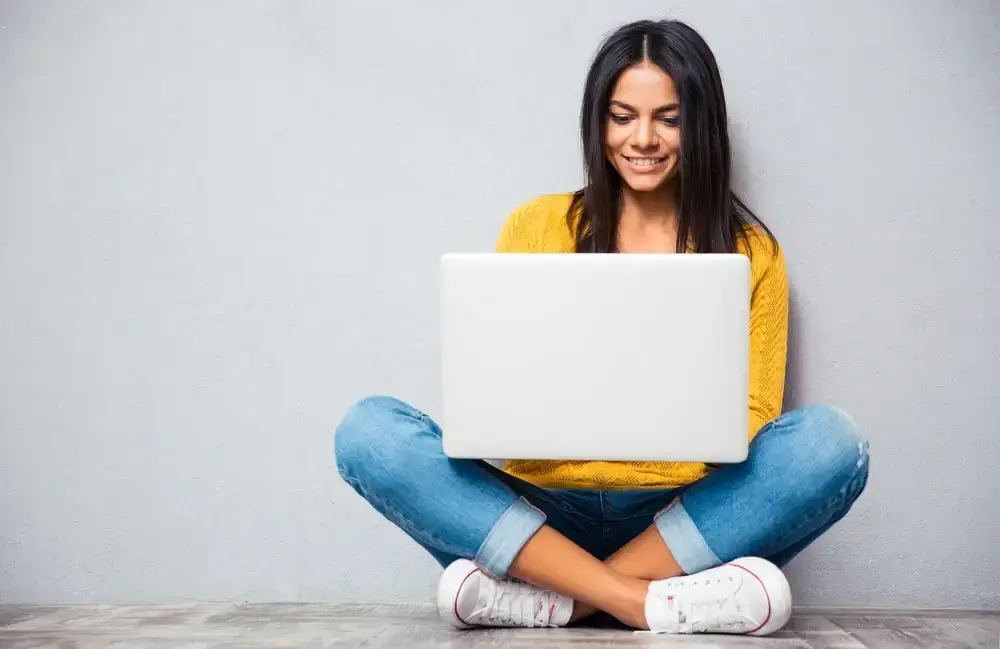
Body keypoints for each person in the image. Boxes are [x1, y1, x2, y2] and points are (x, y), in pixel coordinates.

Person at [334, 18, 869, 636]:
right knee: (369, 433)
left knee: (833, 443)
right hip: (540, 515)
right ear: (598, 121)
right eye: (623, 116)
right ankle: (645, 602)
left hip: (682, 519)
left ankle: (559, 599)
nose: (644, 138)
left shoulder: (751, 252)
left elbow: (752, 419)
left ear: (702, 125)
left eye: (669, 118)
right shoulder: (537, 227)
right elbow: (495, 397)